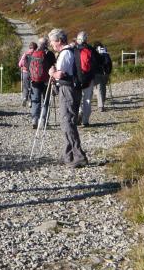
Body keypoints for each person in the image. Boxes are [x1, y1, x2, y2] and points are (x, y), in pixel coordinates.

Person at [48, 28, 88, 168]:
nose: (51, 44)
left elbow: (61, 74)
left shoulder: (65, 53)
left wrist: (52, 73)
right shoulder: (70, 51)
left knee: (67, 122)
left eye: (52, 41)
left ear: (59, 41)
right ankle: (68, 155)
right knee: (68, 121)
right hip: (73, 89)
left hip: (67, 90)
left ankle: (78, 156)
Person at [28, 37, 56, 129]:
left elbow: (29, 67)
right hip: (46, 81)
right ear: (47, 44)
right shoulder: (50, 54)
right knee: (45, 101)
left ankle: (34, 120)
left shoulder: (33, 53)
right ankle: (43, 121)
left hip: (35, 81)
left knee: (35, 100)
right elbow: (53, 67)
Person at [75, 31, 95, 127]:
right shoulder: (90, 49)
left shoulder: (74, 50)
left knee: (78, 98)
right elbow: (96, 63)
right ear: (86, 39)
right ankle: (85, 120)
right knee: (87, 99)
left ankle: (79, 112)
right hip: (89, 78)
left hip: (77, 79)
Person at [93, 42, 113, 112]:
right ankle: (102, 103)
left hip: (98, 73)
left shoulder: (95, 52)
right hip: (106, 74)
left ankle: (100, 106)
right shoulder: (105, 52)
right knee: (103, 88)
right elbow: (110, 64)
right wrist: (108, 72)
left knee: (98, 89)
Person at [18, 42, 37, 107]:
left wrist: (23, 67)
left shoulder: (25, 54)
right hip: (33, 73)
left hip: (25, 72)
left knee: (25, 86)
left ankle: (24, 97)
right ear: (36, 47)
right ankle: (30, 101)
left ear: (29, 47)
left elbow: (20, 64)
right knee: (32, 87)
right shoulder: (36, 54)